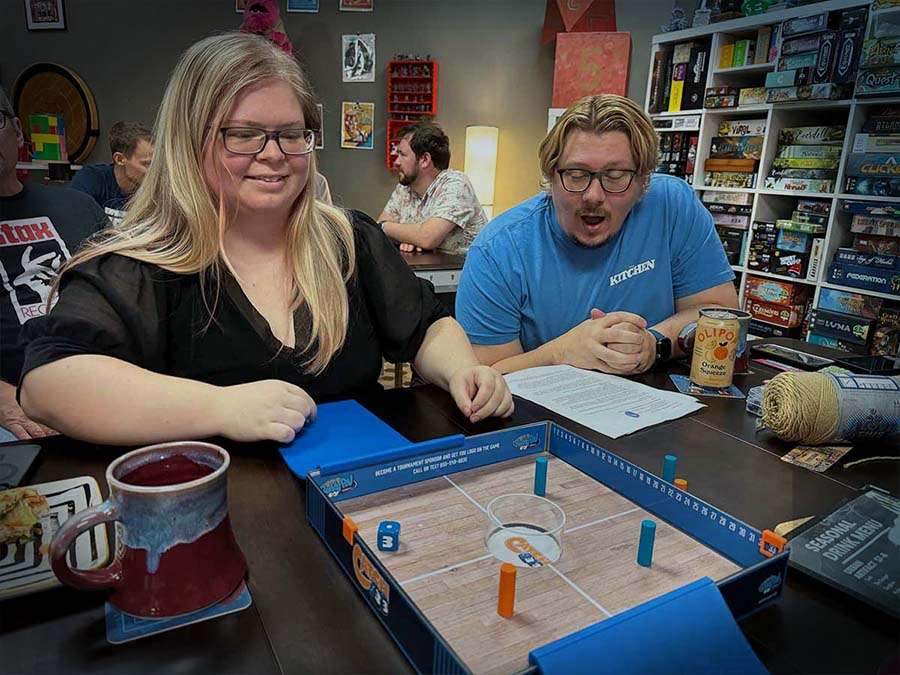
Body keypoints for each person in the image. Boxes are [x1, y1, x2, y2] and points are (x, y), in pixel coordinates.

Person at [19, 32, 513, 446]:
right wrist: (219, 408)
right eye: (243, 134)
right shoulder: (140, 265)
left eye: (291, 133)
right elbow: (49, 384)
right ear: (190, 140)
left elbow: (427, 325)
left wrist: (462, 370)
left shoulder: (349, 240)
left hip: (355, 504)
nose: (274, 154)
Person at [455, 94, 738, 375]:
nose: (593, 195)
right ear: (551, 176)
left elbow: (720, 315)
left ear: (643, 181)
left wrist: (653, 343)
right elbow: (485, 376)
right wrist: (560, 354)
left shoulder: (674, 206)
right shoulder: (497, 250)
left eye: (615, 176)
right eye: (576, 175)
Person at [0, 86, 108, 441]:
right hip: (15, 410)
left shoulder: (77, 206)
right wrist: (6, 402)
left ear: (17, 131)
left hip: (110, 385)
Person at [378, 121, 486, 255]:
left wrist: (385, 227)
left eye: (402, 155)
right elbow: (379, 234)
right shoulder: (404, 187)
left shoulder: (457, 184)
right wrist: (408, 237)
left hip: (464, 271)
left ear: (424, 159)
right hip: (431, 272)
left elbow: (427, 238)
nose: (397, 162)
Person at [70, 121, 153, 224]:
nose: (154, 171)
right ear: (119, 159)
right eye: (147, 164)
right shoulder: (91, 179)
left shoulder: (158, 189)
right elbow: (73, 223)